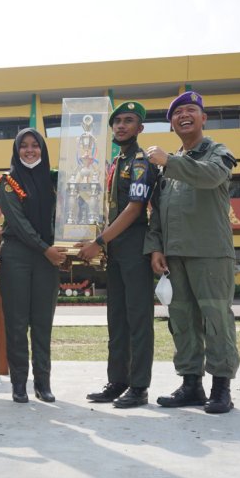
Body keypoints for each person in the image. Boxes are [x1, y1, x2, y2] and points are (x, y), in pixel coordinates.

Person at [144, 91, 240, 414]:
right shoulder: (164, 165)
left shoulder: (217, 152)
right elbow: (156, 210)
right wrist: (156, 246)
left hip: (210, 253)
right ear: (172, 124)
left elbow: (211, 177)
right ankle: (191, 385)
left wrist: (170, 162)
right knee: (182, 320)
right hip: (175, 257)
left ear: (203, 118)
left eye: (190, 110)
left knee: (216, 319)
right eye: (177, 113)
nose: (184, 115)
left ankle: (221, 387)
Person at [81, 102, 158, 408]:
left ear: (140, 128)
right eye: (117, 122)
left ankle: (139, 386)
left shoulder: (140, 162)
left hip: (134, 245)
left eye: (129, 121)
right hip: (116, 248)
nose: (122, 126)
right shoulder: (116, 163)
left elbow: (135, 209)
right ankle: (118, 381)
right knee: (117, 318)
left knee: (138, 318)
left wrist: (99, 241)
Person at [0, 128, 66, 403]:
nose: (29, 150)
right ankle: (19, 384)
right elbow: (19, 224)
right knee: (16, 322)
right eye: (23, 146)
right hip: (17, 256)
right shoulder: (8, 182)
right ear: (16, 150)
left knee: (42, 323)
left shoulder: (53, 180)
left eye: (34, 145)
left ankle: (43, 383)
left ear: (42, 149)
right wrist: (45, 248)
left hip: (48, 258)